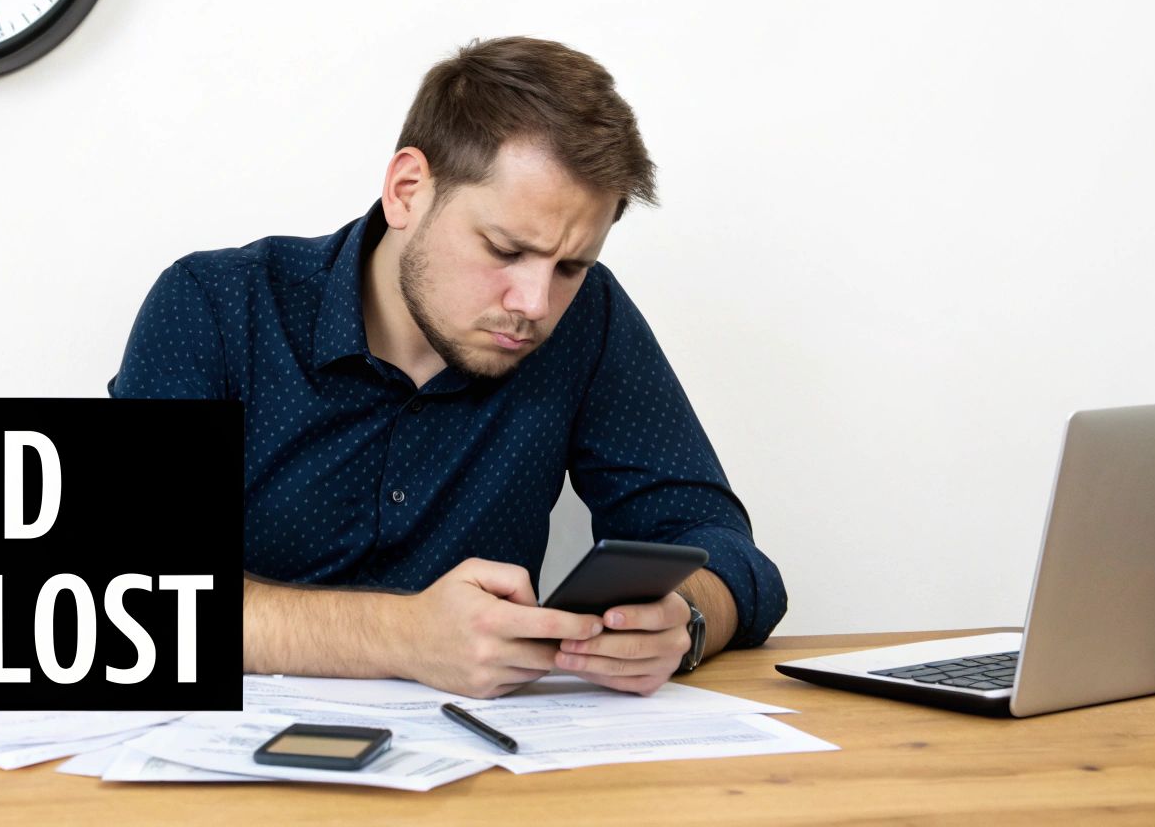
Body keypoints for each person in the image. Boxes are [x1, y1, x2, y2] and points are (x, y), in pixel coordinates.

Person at [107, 36, 785, 699]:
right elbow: (129, 597)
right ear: (407, 191)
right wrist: (401, 635)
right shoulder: (215, 305)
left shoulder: (588, 318)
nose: (535, 304)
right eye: (503, 249)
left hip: (487, 776)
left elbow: (717, 545)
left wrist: (686, 620)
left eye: (572, 266)